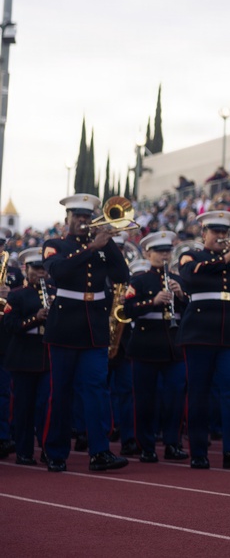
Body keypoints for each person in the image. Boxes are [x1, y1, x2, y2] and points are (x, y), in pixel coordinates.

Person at [42, 194, 131, 473]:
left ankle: (100, 452)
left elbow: (121, 275)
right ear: (67, 219)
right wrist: (92, 247)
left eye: (87, 217)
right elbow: (58, 272)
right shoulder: (54, 245)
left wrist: (109, 241)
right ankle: (55, 452)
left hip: (94, 328)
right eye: (78, 217)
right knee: (62, 393)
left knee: (96, 392)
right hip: (64, 327)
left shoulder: (104, 247)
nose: (83, 221)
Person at [177, 210, 230, 470]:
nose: (220, 237)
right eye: (215, 232)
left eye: (224, 233)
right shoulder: (192, 255)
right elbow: (191, 275)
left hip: (229, 334)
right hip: (199, 333)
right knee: (199, 395)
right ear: (203, 233)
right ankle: (198, 452)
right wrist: (227, 257)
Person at [121, 231, 189, 463]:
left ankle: (172, 443)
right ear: (148, 253)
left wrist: (182, 297)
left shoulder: (178, 280)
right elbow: (127, 310)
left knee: (175, 399)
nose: (164, 255)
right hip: (146, 345)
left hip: (173, 346)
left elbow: (190, 313)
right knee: (145, 400)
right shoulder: (139, 280)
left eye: (167, 251)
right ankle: (146, 446)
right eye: (159, 251)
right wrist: (152, 301)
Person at [2, 247, 52, 465]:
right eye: (36, 268)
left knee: (45, 406)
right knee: (23, 407)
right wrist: (35, 318)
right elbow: (10, 325)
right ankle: (24, 451)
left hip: (46, 356)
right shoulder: (17, 295)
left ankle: (48, 448)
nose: (40, 273)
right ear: (26, 269)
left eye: (43, 269)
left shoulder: (54, 292)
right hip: (23, 357)